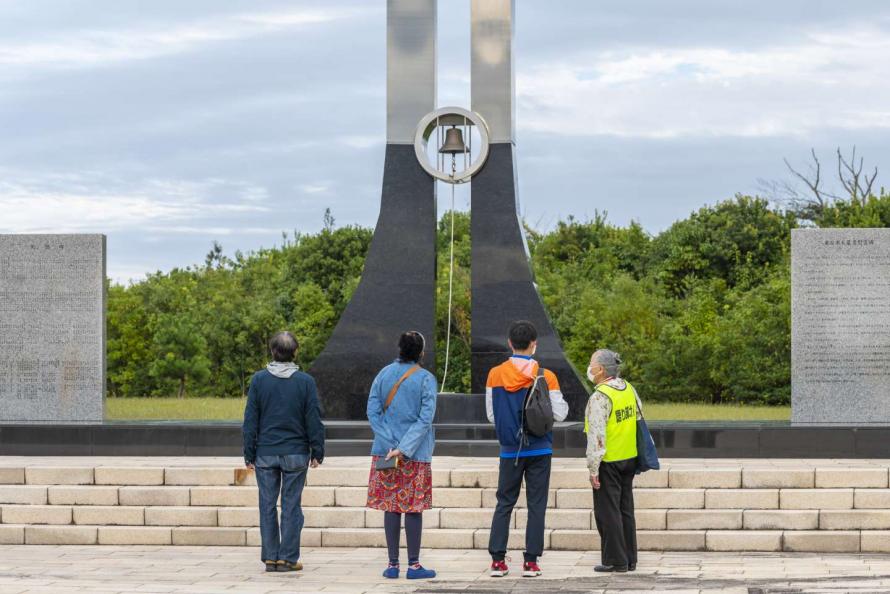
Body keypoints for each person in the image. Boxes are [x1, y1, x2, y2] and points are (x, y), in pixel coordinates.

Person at [486, 320, 569, 578]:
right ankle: (531, 562)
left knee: (504, 503)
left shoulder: (495, 374)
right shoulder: (546, 376)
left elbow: (491, 416)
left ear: (510, 343)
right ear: (534, 344)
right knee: (537, 505)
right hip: (539, 448)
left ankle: (498, 561)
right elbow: (560, 413)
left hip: (510, 449)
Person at [242, 331, 325, 573]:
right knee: (291, 506)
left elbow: (250, 420)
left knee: (266, 505)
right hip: (296, 453)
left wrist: (249, 453)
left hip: (265, 453)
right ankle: (287, 558)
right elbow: (313, 418)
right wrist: (317, 450)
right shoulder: (305, 381)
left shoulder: (258, 380)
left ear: (272, 351)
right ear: (295, 352)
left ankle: (270, 557)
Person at [366, 331, 438, 580]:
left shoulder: (383, 375)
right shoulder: (426, 379)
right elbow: (425, 419)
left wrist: (391, 443)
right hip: (415, 454)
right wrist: (405, 447)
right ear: (421, 352)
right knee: (414, 508)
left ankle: (393, 565)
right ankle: (415, 566)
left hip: (385, 453)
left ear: (399, 349)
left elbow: (373, 412)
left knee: (391, 506)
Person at [585, 349, 644, 573]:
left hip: (608, 461)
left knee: (607, 512)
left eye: (591, 364)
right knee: (625, 509)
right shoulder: (628, 389)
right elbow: (638, 417)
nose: (589, 368)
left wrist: (593, 468)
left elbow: (597, 435)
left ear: (600, 370)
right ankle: (630, 559)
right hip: (629, 457)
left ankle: (615, 560)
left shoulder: (600, 396)